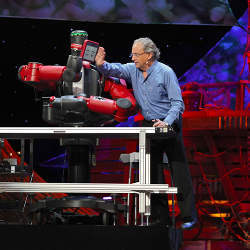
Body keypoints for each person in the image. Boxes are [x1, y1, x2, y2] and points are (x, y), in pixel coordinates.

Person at [95, 37, 197, 230]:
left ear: (149, 55)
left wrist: (166, 122)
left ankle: (188, 216)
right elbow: (112, 69)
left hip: (169, 123)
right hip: (148, 126)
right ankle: (161, 218)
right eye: (132, 54)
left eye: (136, 54)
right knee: (152, 173)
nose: (132, 57)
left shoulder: (166, 72)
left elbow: (178, 104)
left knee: (178, 169)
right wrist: (100, 63)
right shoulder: (133, 70)